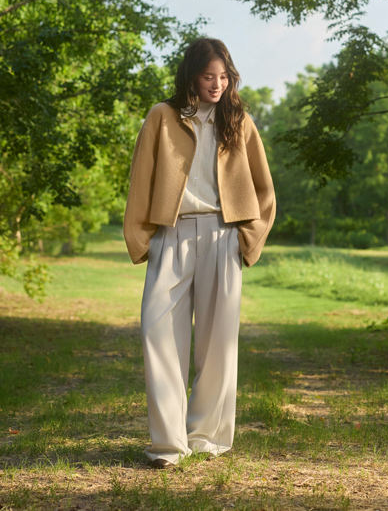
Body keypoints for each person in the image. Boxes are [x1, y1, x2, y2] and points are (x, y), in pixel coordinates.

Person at [124, 37, 276, 468]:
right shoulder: (162, 116)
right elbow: (141, 177)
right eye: (209, 77)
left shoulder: (239, 121)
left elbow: (264, 188)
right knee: (158, 333)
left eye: (224, 77)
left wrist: (251, 235)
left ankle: (206, 436)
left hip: (223, 235)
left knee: (218, 344)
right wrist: (142, 236)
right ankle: (168, 445)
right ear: (192, 75)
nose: (217, 85)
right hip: (171, 234)